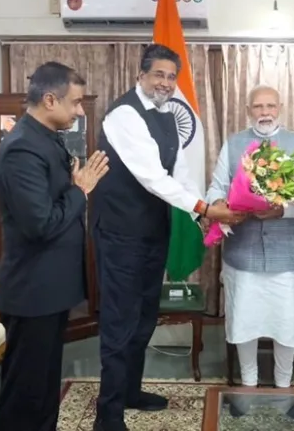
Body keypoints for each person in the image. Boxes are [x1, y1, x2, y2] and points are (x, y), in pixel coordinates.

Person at [90, 44, 243, 431]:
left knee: (143, 319)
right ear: (140, 75)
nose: (166, 82)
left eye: (171, 76)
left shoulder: (168, 117)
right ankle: (107, 415)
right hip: (120, 235)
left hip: (152, 234)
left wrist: (202, 210)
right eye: (158, 74)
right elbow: (152, 178)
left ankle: (130, 392)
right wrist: (207, 210)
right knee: (119, 324)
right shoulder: (124, 114)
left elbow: (179, 174)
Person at [0, 61, 110, 431]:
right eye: (74, 103)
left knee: (43, 388)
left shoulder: (44, 137)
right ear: (48, 99)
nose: (79, 110)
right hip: (33, 292)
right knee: (25, 393)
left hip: (50, 290)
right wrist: (81, 190)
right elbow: (41, 224)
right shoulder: (21, 149)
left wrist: (73, 185)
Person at [206, 84, 294, 390]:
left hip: (287, 258)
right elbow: (217, 187)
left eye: (270, 106)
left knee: (285, 325)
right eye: (258, 107)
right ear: (249, 111)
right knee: (245, 322)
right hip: (242, 256)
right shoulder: (234, 144)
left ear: (280, 108)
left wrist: (281, 211)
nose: (265, 113)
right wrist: (221, 208)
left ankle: (284, 385)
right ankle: (249, 385)